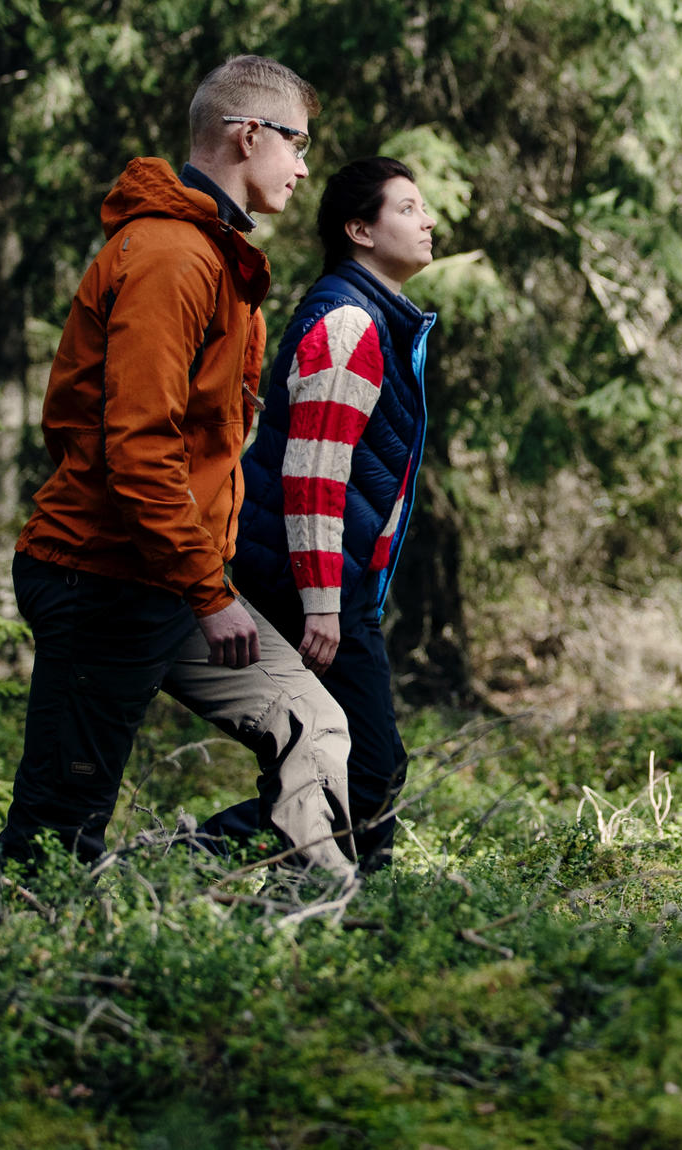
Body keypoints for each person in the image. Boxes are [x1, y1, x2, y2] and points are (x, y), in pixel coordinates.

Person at [0, 55, 355, 873]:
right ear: (248, 133)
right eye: (297, 144)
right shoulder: (171, 257)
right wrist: (205, 589)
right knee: (59, 830)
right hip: (105, 577)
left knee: (312, 721)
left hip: (172, 579)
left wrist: (205, 583)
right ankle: (20, 971)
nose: (305, 168)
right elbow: (140, 442)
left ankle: (285, 910)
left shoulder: (217, 257)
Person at [231, 156, 438, 872]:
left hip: (325, 583)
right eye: (408, 208)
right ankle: (192, 859)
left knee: (335, 768)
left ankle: (326, 917)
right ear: (360, 229)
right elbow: (313, 472)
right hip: (309, 586)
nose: (428, 220)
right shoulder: (350, 319)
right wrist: (323, 602)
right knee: (369, 769)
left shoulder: (369, 313)